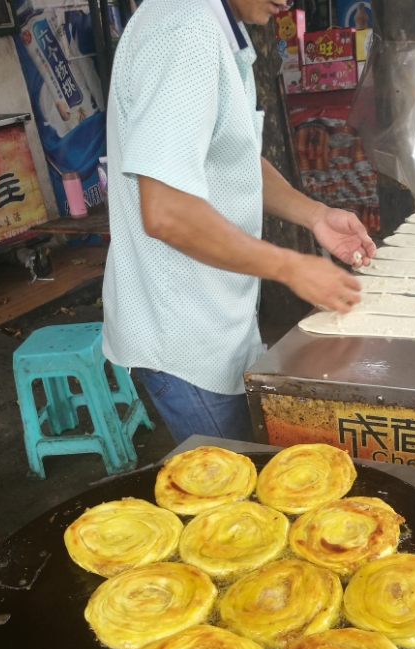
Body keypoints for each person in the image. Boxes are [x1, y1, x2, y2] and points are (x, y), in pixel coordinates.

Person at [102, 0, 376, 444]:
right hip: (185, 336)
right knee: (234, 493)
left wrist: (316, 215)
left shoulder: (216, 27)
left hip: (218, 315)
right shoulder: (184, 31)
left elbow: (234, 157)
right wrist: (290, 267)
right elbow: (166, 212)